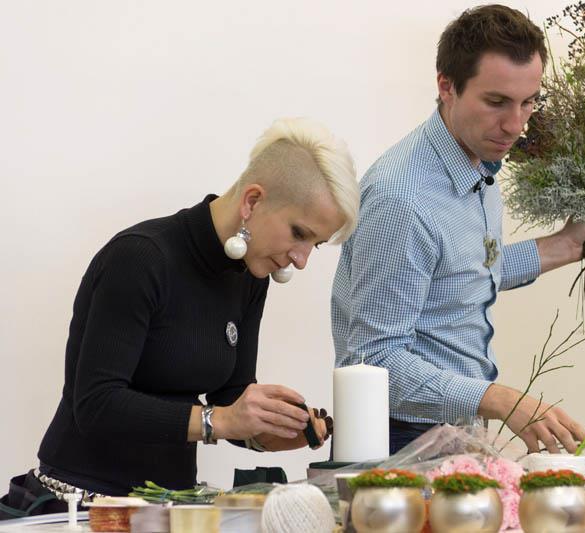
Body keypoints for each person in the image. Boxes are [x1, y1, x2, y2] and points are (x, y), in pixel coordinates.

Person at [1, 117, 360, 519]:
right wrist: (221, 421)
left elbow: (230, 394)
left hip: (170, 508)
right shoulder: (139, 258)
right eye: (299, 233)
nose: (302, 259)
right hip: (80, 509)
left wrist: (265, 432)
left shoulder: (250, 275)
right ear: (252, 201)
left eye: (316, 244)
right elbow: (96, 404)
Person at [331, 5, 585, 455]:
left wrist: (564, 245)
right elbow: (373, 362)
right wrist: (500, 400)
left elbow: (463, 274)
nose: (516, 125)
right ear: (446, 86)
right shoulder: (401, 198)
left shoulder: (477, 161)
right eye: (497, 102)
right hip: (396, 440)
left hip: (455, 430)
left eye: (529, 102)